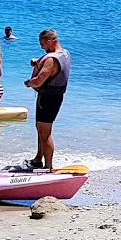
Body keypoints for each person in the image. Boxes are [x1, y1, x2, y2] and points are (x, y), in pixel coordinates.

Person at [23, 29, 71, 170]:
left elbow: (38, 81)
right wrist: (38, 63)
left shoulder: (51, 60)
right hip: (56, 97)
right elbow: (54, 69)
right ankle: (38, 159)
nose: (42, 47)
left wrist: (28, 83)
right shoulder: (65, 54)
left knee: (45, 133)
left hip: (47, 99)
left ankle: (48, 167)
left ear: (50, 42)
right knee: (41, 128)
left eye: (43, 44)